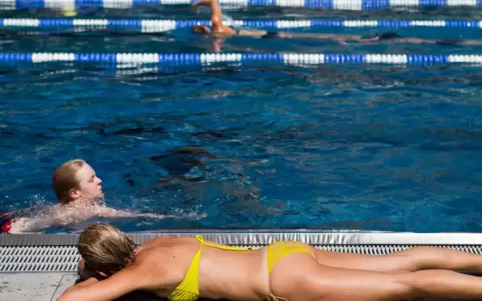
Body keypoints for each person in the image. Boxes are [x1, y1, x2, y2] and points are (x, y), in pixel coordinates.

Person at [60, 223, 482, 301]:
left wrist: (87, 277)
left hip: (283, 280)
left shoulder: (139, 273)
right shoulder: (158, 244)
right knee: (401, 262)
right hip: (283, 252)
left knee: (407, 288)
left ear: (103, 266)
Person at [191, 0, 482, 50]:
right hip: (277, 36)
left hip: (279, 37)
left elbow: (215, 1)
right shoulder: (219, 31)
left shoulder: (219, 30)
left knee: (336, 41)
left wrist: (203, 3)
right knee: (337, 41)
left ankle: (375, 40)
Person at [0, 159, 205, 234]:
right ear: (75, 193)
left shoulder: (59, 206)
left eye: (96, 175)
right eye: (91, 179)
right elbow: (134, 215)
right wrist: (181, 218)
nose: (100, 180)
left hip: (13, 225)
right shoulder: (90, 210)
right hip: (15, 230)